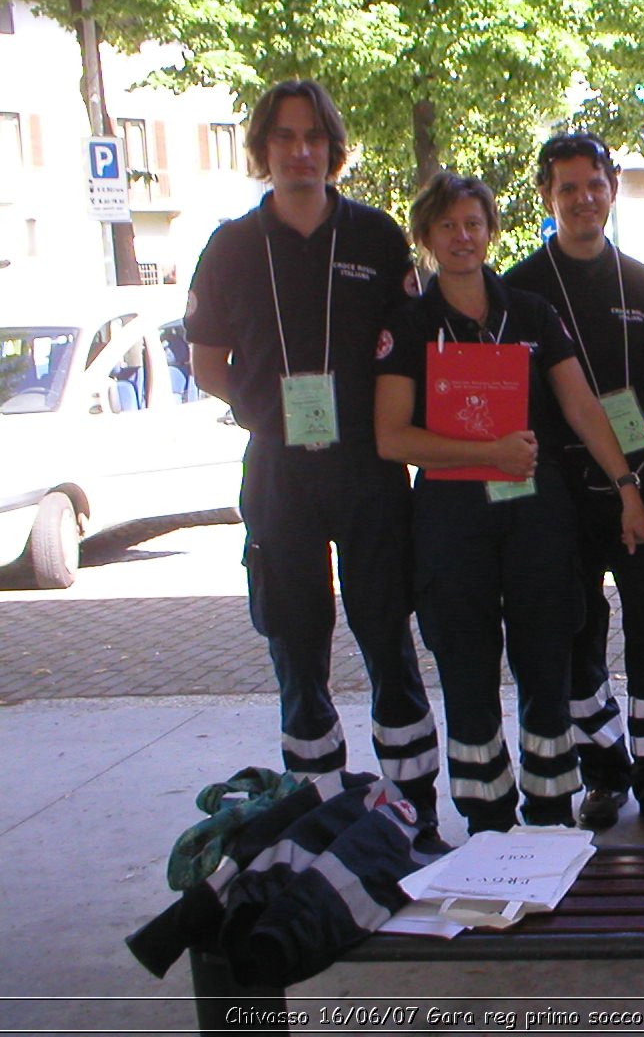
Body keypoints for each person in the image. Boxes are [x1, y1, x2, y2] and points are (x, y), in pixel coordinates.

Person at [374, 172, 644, 832]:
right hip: (452, 519)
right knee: (468, 670)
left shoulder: (529, 313)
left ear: (491, 231)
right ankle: (486, 820)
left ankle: (552, 812)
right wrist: (484, 455)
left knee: (546, 661)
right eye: (446, 226)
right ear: (425, 237)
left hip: (536, 512)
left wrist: (627, 488)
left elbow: (583, 408)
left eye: (473, 223)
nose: (462, 237)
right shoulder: (410, 326)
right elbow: (391, 437)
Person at [185, 80, 438, 814]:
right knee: (295, 637)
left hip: (367, 463)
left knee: (385, 625)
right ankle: (317, 802)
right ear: (264, 149)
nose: (300, 151)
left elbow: (409, 353)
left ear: (333, 148)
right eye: (285, 138)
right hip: (278, 466)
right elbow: (207, 365)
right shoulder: (230, 247)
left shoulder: (376, 236)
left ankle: (413, 803)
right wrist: (267, 413)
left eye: (314, 138)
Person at [502, 133, 644, 837]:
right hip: (555, 483)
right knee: (573, 636)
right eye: (567, 189)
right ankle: (604, 772)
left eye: (594, 185)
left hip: (638, 480)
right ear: (546, 199)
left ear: (612, 188)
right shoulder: (518, 289)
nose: (584, 199)